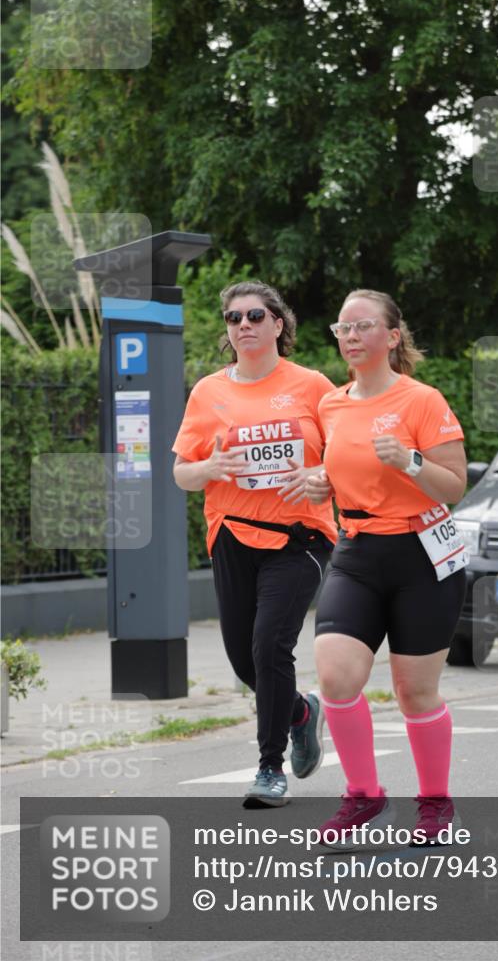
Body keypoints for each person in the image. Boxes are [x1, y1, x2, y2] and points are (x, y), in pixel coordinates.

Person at [304, 289, 468, 845]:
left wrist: (411, 460)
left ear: (392, 336)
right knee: (335, 675)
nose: (350, 337)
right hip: (357, 552)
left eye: (362, 327)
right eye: (342, 328)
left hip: (421, 553)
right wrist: (322, 482)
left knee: (413, 692)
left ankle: (435, 805)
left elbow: (454, 486)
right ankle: (364, 795)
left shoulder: (422, 400)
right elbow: (340, 469)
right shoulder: (332, 403)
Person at [172, 281, 337, 808]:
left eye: (255, 315)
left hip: (300, 537)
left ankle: (269, 768)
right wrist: (210, 466)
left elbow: (346, 458)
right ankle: (300, 713)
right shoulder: (208, 392)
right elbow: (181, 473)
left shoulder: (313, 387)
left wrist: (319, 474)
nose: (243, 325)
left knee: (270, 645)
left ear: (278, 324)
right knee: (246, 662)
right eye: (233, 318)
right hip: (232, 536)